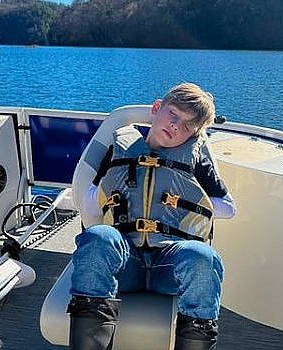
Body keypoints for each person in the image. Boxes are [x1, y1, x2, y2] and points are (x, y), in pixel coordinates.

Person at [68, 82, 236, 350]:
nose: (176, 126)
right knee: (98, 236)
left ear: (194, 135)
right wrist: (112, 184)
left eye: (187, 126)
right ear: (157, 108)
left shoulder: (197, 160)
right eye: (174, 114)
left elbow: (228, 207)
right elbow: (89, 205)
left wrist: (187, 197)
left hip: (170, 264)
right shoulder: (119, 148)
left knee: (204, 258)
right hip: (125, 262)